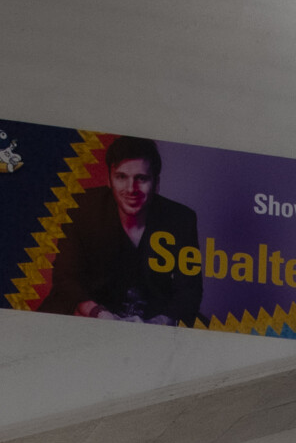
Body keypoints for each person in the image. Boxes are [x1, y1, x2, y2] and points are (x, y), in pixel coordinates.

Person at [37, 136, 203, 324]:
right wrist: (98, 312)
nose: (131, 189)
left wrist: (158, 323)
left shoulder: (181, 219)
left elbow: (189, 290)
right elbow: (65, 277)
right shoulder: (81, 207)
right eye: (121, 177)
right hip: (91, 314)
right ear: (109, 180)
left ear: (156, 183)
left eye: (141, 178)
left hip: (150, 318)